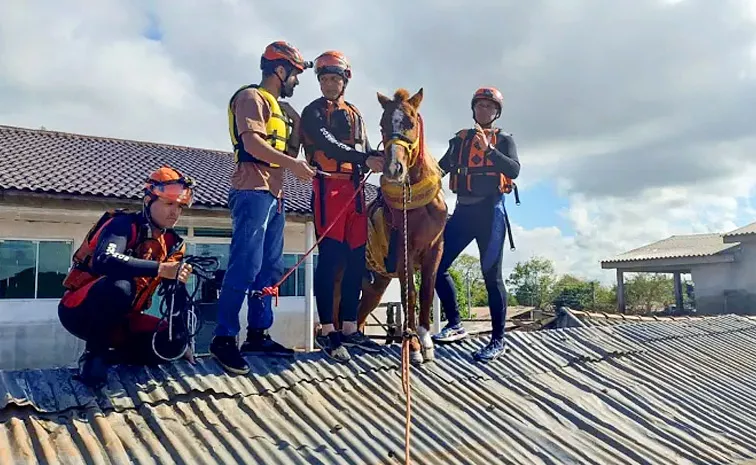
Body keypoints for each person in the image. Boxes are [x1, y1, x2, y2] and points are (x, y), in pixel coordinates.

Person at [210, 40, 316, 375]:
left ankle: (258, 333)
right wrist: (294, 165)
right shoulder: (251, 98)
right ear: (280, 70)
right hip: (252, 190)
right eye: (295, 74)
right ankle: (223, 338)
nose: (296, 82)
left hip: (276, 195)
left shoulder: (283, 110)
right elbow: (253, 143)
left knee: (269, 268)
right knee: (246, 263)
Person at [58, 166, 196, 388]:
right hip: (80, 310)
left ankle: (116, 356)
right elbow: (105, 259)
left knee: (173, 344)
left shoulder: (174, 243)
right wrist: (160, 268)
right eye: (169, 204)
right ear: (149, 200)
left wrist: (181, 341)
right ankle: (94, 357)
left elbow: (175, 294)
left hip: (124, 319)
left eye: (180, 207)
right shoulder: (124, 224)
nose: (175, 212)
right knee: (120, 286)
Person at [300, 50, 385, 362]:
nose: (329, 84)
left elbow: (363, 148)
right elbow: (327, 145)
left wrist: (384, 156)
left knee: (355, 261)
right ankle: (327, 329)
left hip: (357, 190)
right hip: (329, 188)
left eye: (335, 78)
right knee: (331, 259)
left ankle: (350, 327)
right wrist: (365, 159)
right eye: (324, 79)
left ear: (345, 81)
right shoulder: (313, 112)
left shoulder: (355, 113)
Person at [431, 87, 521, 362]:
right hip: (463, 212)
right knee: (436, 267)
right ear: (473, 109)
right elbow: (439, 169)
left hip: (491, 213)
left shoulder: (504, 140)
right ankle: (456, 324)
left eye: (489, 107)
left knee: (491, 278)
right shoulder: (459, 141)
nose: (484, 110)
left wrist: (489, 149)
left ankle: (498, 341)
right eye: (480, 106)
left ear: (497, 112)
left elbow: (514, 170)